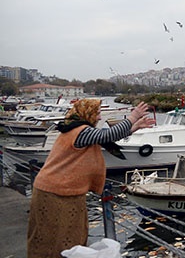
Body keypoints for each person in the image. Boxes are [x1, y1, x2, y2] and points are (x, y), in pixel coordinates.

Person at [27, 99, 155, 257]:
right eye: (97, 114)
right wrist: (133, 116)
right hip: (57, 192)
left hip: (60, 190)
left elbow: (105, 138)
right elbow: (108, 134)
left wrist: (133, 128)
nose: (100, 118)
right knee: (59, 237)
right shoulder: (80, 131)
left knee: (64, 235)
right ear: (87, 114)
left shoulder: (75, 129)